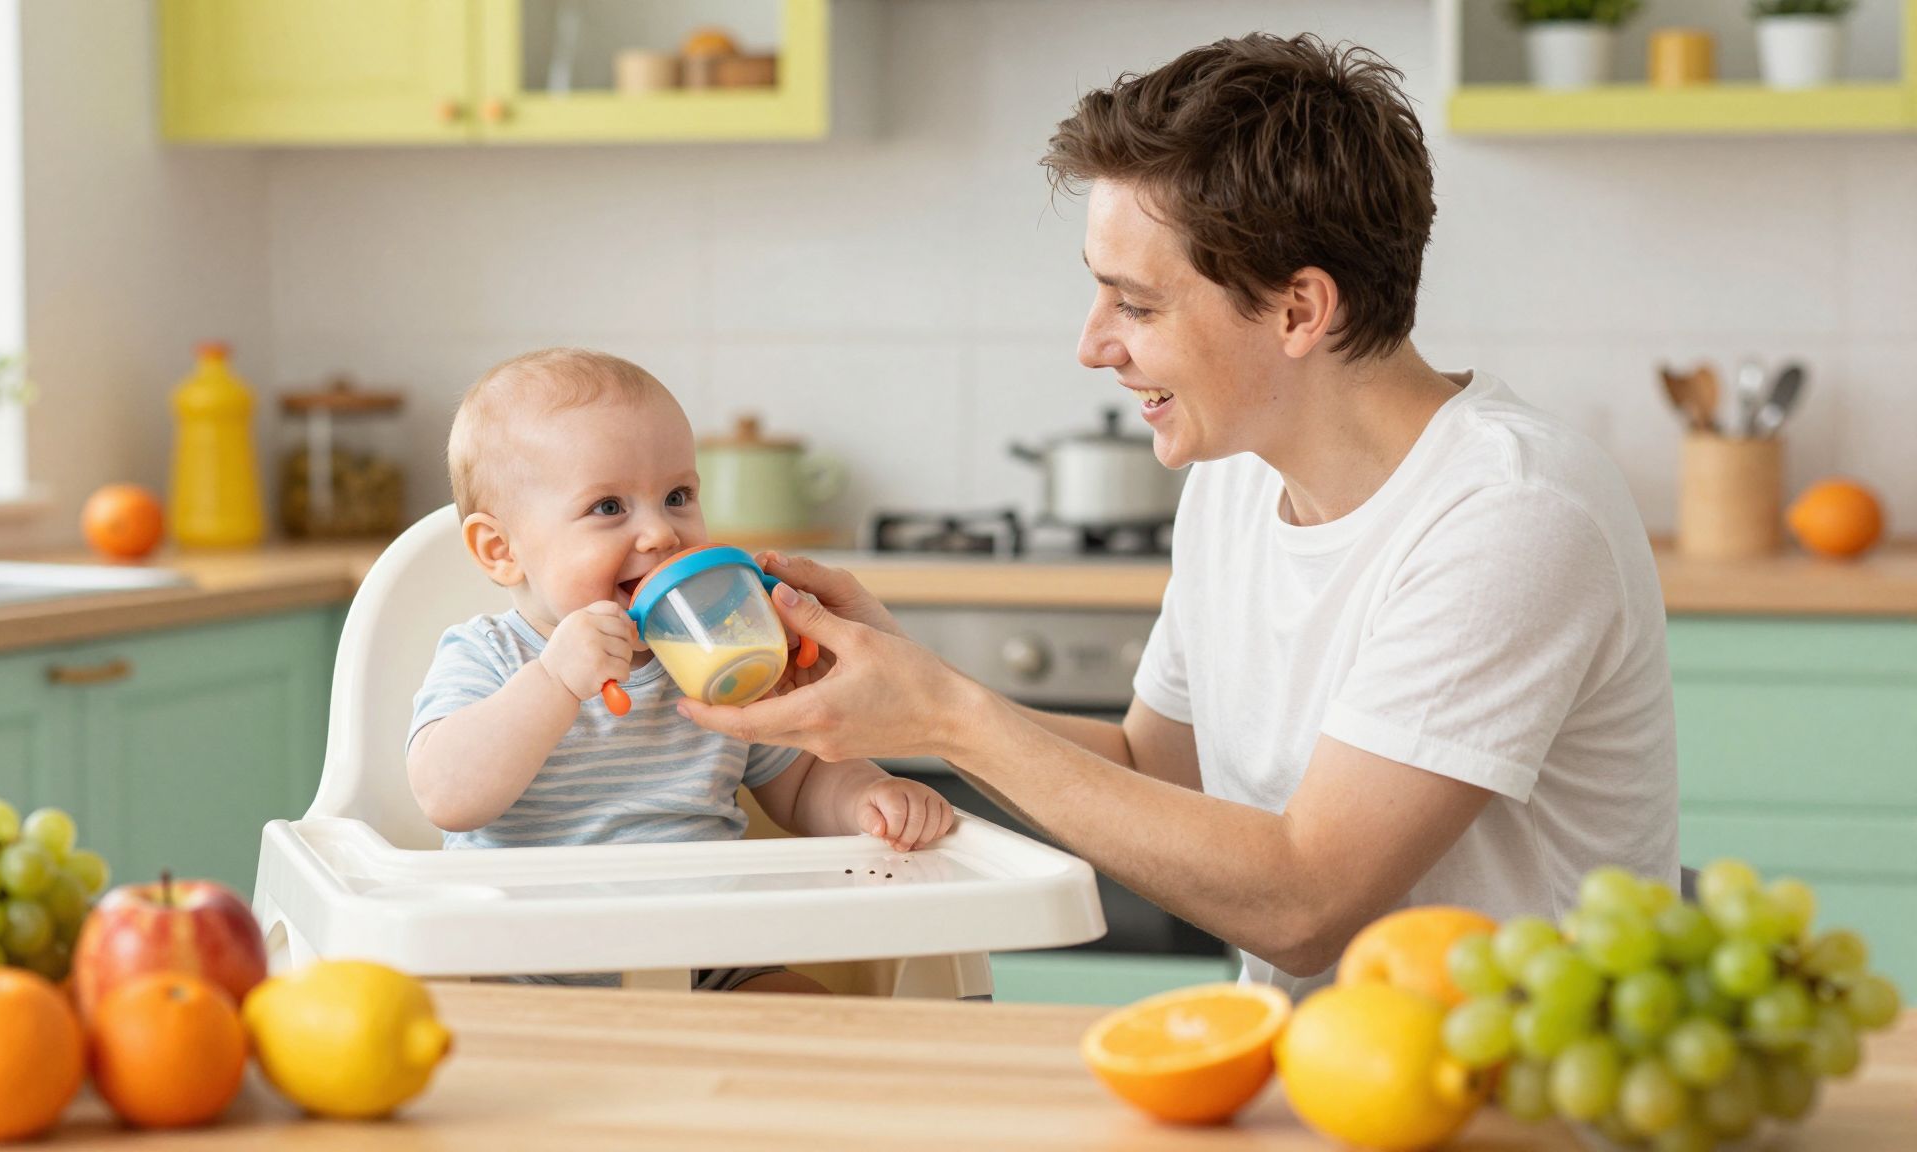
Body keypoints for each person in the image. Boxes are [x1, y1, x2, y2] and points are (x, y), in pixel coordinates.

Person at [681, 34, 1678, 1000]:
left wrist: (950, 717)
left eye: (1136, 305)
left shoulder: (1506, 514)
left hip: (1519, 1095)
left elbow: (1304, 900)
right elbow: (1156, 771)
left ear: (1297, 311)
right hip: (1326, 1076)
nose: (1091, 345)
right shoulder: (1235, 478)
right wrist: (920, 690)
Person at [406, 347, 955, 992]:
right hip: (525, 968)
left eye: (677, 496)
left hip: (709, 963)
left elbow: (801, 784)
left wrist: (867, 797)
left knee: (820, 1020)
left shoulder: (713, 656)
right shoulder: (493, 655)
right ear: (501, 550)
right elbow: (447, 796)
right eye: (608, 507)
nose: (661, 533)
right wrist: (555, 681)